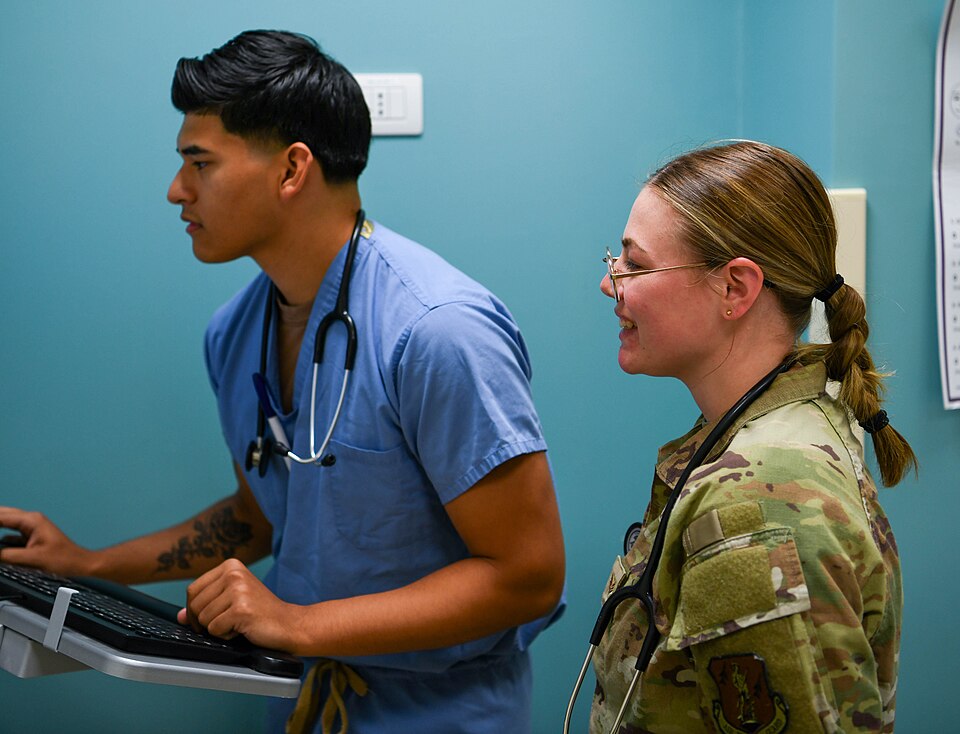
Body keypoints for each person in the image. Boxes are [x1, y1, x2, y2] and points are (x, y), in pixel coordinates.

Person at [0, 30, 565, 734]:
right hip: (299, 706)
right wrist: (88, 562)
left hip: (441, 716)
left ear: (292, 169)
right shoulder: (234, 333)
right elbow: (261, 516)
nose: (177, 190)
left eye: (198, 162)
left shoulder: (437, 332)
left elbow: (529, 574)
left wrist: (296, 622)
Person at [587, 141, 915, 733]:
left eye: (635, 264)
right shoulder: (762, 431)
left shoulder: (759, 502)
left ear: (735, 288)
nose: (612, 285)